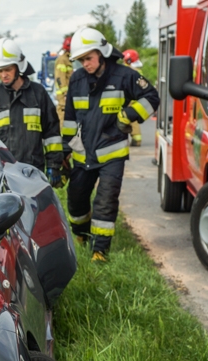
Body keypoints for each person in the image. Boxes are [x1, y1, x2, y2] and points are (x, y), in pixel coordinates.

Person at [62, 27, 159, 261]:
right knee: (76, 201)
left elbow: (152, 97)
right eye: (81, 60)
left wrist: (128, 115)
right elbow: (70, 118)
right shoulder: (77, 79)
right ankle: (82, 234)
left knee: (105, 201)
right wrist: (64, 151)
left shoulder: (124, 76)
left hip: (112, 154)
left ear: (102, 52)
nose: (85, 64)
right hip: (83, 155)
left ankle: (99, 250)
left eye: (89, 58)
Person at [0, 38, 64, 187]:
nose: (3, 75)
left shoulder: (38, 94)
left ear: (19, 67)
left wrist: (54, 166)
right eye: (0, 70)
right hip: (1, 175)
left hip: (33, 173)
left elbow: (52, 134)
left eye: (8, 69)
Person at [123, 49, 144, 147]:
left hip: (131, 99)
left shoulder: (130, 72)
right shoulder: (137, 71)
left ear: (129, 60)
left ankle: (136, 139)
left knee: (131, 119)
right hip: (136, 99)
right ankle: (136, 138)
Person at [54, 36, 73, 128]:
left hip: (67, 96)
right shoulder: (63, 60)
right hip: (64, 98)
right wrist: (65, 93)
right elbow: (60, 78)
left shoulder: (68, 60)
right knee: (63, 119)